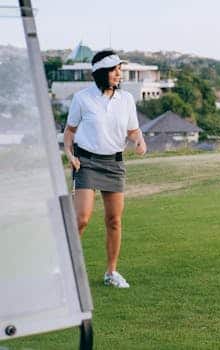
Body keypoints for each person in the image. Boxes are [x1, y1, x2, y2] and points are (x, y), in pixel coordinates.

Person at [63, 50, 146, 288]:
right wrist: (69, 154)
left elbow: (132, 130)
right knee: (82, 218)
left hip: (114, 164)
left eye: (120, 69)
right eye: (114, 70)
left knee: (114, 220)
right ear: (101, 73)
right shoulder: (82, 98)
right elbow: (70, 132)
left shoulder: (126, 99)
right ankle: (65, 269)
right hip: (86, 161)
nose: (119, 74)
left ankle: (111, 273)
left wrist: (139, 140)